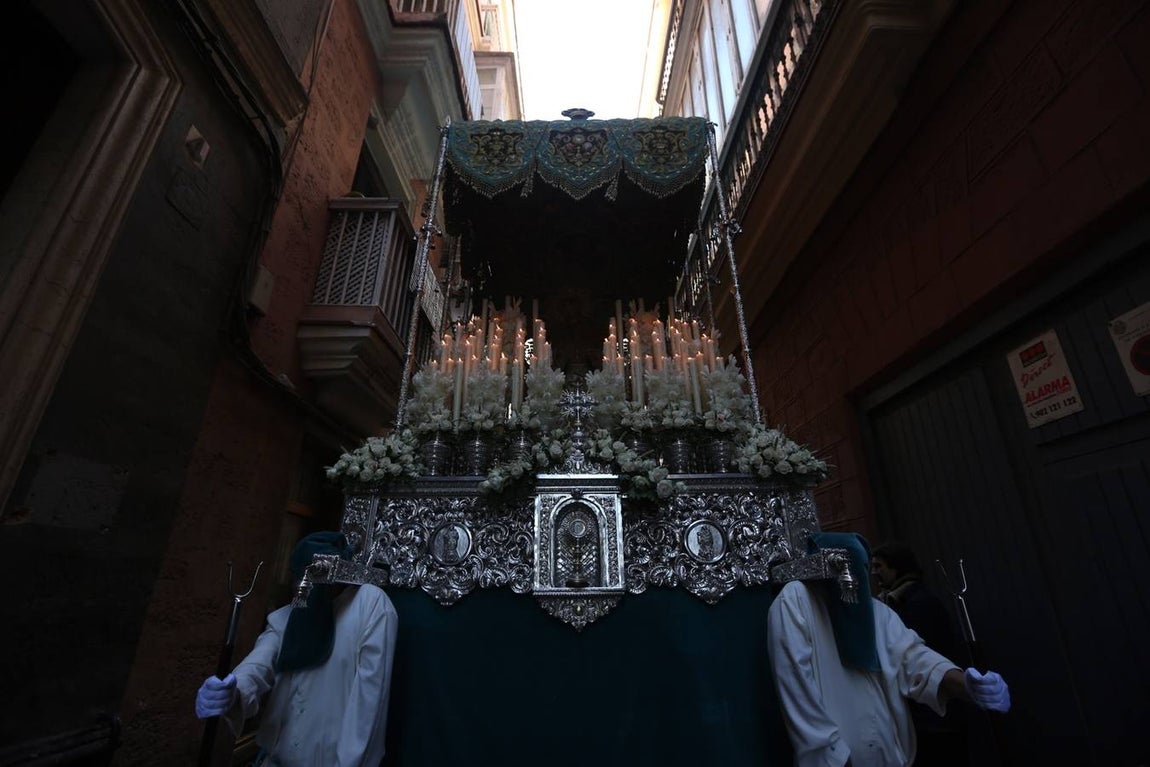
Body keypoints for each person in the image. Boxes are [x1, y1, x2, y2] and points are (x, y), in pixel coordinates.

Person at [767, 533, 1009, 767]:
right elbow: (796, 682)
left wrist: (965, 684)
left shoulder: (875, 612)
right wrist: (831, 755)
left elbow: (913, 659)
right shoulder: (797, 601)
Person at [195, 531, 398, 766]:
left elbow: (369, 704)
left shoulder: (369, 605)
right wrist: (232, 691)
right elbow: (258, 664)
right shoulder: (289, 617)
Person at [872, 541, 968, 766]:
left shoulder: (918, 603)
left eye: (879, 566)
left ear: (896, 567)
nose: (874, 572)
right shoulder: (893, 603)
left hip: (935, 718)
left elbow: (916, 655)